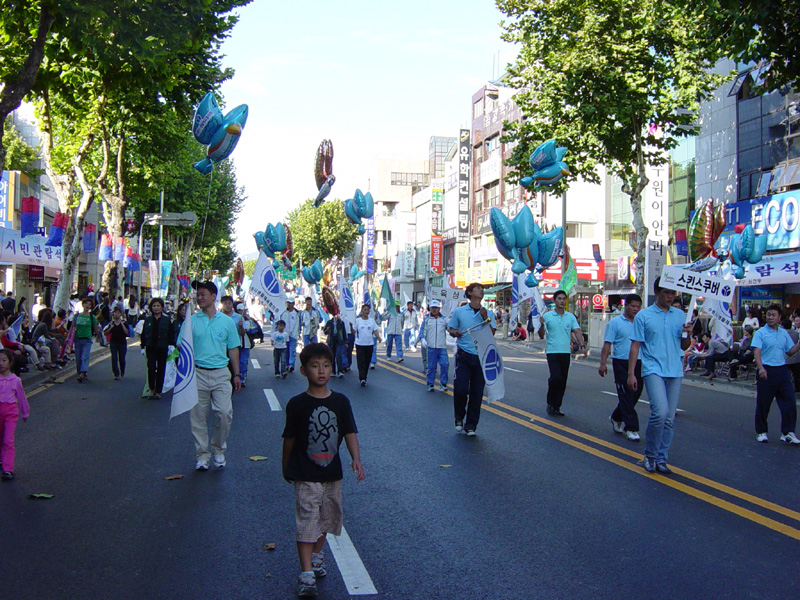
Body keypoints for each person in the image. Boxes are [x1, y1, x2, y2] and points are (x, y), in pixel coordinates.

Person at [281, 343, 365, 598]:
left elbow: (349, 431)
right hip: (305, 473)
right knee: (307, 521)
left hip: (332, 473)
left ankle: (317, 555)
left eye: (326, 365)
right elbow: (290, 438)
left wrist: (356, 459)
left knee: (327, 519)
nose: (322, 371)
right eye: (315, 366)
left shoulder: (341, 401)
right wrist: (285, 466)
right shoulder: (297, 404)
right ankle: (306, 574)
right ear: (304, 370)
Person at [628, 277, 693, 474]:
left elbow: (684, 346)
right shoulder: (644, 316)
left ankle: (662, 458)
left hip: (674, 370)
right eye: (666, 292)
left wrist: (688, 334)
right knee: (660, 413)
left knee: (670, 418)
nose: (670, 296)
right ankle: (650, 455)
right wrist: (631, 373)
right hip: (652, 368)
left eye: (673, 293)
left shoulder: (680, 316)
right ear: (657, 292)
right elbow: (636, 345)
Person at [189, 280, 242, 471]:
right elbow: (182, 347)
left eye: (203, 294)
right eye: (198, 294)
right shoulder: (191, 320)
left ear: (213, 296)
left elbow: (234, 348)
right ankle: (202, 455)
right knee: (198, 417)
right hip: (198, 374)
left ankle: (218, 450)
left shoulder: (226, 322)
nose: (199, 297)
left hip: (221, 374)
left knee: (224, 413)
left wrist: (237, 374)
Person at [448, 282, 496, 436]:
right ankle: (459, 416)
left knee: (477, 392)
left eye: (482, 289)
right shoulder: (460, 311)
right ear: (469, 293)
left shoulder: (488, 313)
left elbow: (492, 333)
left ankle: (471, 425)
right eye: (477, 289)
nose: (481, 291)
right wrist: (456, 332)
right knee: (461, 389)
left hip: (481, 356)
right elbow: (451, 328)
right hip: (464, 355)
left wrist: (485, 318)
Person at [751, 306, 800, 444]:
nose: (770, 317)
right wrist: (761, 368)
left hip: (782, 371)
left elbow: (790, 351)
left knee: (789, 402)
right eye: (768, 315)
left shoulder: (783, 333)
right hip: (766, 370)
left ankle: (788, 432)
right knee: (763, 403)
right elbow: (757, 352)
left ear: (779, 318)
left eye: (773, 315)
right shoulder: (760, 333)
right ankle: (761, 432)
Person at [599, 293, 643, 441]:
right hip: (621, 362)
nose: (635, 309)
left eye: (638, 306)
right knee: (625, 394)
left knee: (635, 394)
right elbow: (607, 344)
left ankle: (616, 416)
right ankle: (632, 428)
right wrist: (603, 363)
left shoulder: (642, 322)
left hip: (639, 362)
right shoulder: (615, 323)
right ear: (626, 305)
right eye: (633, 306)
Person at [538, 289, 587, 416]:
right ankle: (550, 402)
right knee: (556, 378)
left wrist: (582, 345)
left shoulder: (570, 317)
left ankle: (557, 406)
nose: (561, 301)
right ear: (554, 301)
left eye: (563, 299)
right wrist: (542, 324)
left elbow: (576, 331)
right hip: (552, 351)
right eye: (559, 298)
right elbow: (541, 335)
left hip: (566, 352)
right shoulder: (547, 316)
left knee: (563, 380)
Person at [0, 349, 30, 481]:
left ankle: (8, 468)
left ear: (10, 362)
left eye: (4, 360)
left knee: (8, 440)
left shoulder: (15, 380)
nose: (1, 363)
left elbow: (22, 397)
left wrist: (25, 412)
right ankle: (2, 459)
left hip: (11, 412)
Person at [141, 298, 174, 399]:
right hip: (150, 347)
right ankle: (151, 389)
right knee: (151, 368)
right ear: (151, 307)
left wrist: (170, 346)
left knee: (161, 369)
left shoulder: (166, 320)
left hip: (162, 347)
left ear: (161, 307)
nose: (156, 308)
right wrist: (142, 346)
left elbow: (170, 334)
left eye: (158, 306)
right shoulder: (148, 319)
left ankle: (158, 391)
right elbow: (143, 334)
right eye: (154, 306)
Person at [420, 299, 449, 392]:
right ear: (430, 308)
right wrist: (422, 339)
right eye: (432, 308)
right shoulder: (427, 319)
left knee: (445, 364)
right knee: (431, 367)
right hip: (431, 347)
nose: (434, 310)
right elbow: (422, 331)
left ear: (439, 308)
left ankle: (443, 383)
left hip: (442, 347)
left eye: (436, 308)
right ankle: (430, 383)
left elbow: (450, 328)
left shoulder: (444, 319)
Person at [74, 297, 102, 383]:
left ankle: (83, 373)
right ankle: (81, 373)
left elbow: (96, 328)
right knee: (78, 358)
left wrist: (100, 338)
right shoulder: (77, 315)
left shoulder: (92, 317)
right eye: (86, 303)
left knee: (84, 357)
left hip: (87, 340)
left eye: (89, 304)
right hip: (77, 339)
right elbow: (72, 328)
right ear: (83, 305)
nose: (87, 306)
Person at [354, 304, 381, 386]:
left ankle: (364, 376)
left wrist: (378, 337)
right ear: (362, 311)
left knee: (367, 361)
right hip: (360, 344)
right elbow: (353, 331)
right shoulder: (358, 320)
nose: (366, 311)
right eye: (365, 310)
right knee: (361, 361)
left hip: (369, 344)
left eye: (367, 310)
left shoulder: (371, 321)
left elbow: (375, 330)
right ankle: (362, 378)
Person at [104, 307, 129, 380]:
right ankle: (116, 373)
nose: (116, 315)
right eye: (115, 313)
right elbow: (105, 332)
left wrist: (122, 324)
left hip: (122, 343)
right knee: (114, 358)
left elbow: (127, 332)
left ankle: (122, 370)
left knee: (122, 359)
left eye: (118, 313)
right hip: (113, 343)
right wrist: (111, 327)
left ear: (121, 314)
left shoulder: (124, 323)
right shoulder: (111, 323)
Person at [279, 296, 301, 373]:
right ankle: (286, 364)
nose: (289, 304)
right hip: (285, 335)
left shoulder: (296, 314)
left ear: (293, 304)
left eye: (290, 303)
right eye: (288, 303)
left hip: (293, 335)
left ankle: (291, 364)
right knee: (285, 350)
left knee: (292, 350)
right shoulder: (284, 313)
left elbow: (297, 324)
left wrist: (297, 333)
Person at [323, 314, 348, 378]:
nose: (335, 317)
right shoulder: (329, 322)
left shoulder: (341, 323)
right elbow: (325, 332)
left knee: (338, 355)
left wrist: (345, 342)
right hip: (331, 341)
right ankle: (332, 371)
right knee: (332, 356)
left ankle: (340, 371)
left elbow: (344, 332)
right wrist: (327, 330)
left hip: (339, 340)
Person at [236, 303, 254, 387]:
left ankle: (243, 378)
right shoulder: (233, 319)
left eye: (245, 310)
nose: (244, 312)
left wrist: (242, 326)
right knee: (236, 362)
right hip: (236, 344)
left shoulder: (248, 320)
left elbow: (248, 330)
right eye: (242, 310)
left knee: (243, 361)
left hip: (245, 344)